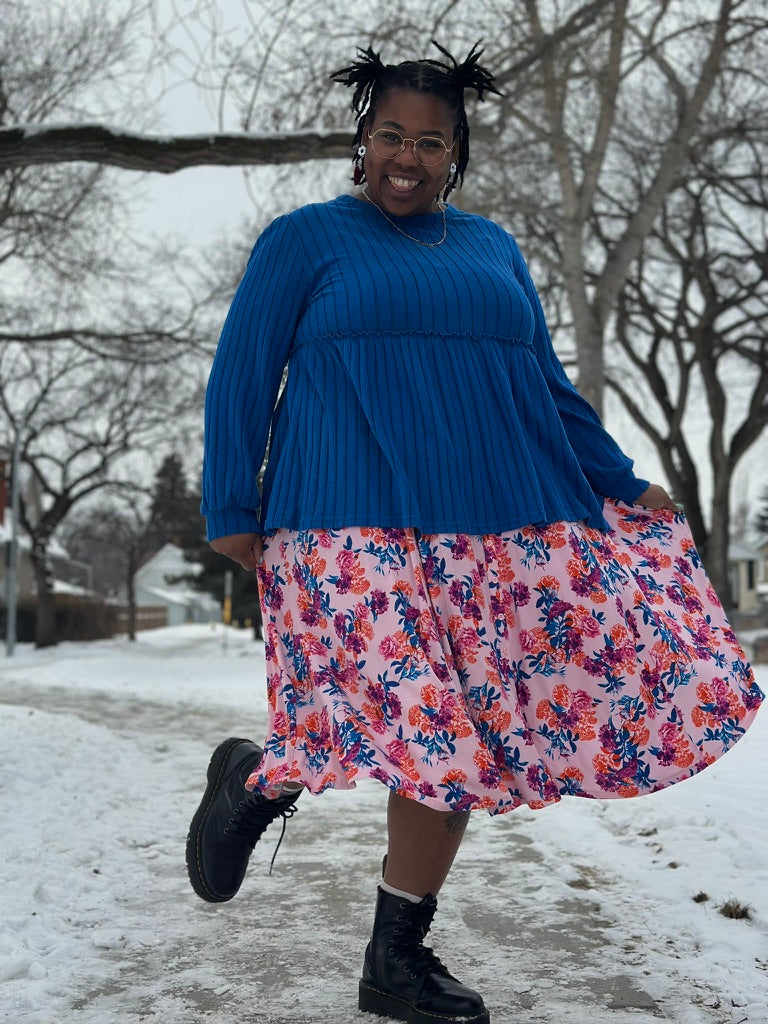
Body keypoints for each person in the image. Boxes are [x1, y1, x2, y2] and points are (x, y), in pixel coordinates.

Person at [186, 42, 763, 1024]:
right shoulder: (304, 240)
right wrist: (232, 510)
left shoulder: (492, 248)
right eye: (391, 135)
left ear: (456, 152)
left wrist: (622, 483)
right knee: (414, 728)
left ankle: (394, 956)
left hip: (484, 531)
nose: (407, 157)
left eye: (431, 142)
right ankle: (257, 781)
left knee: (455, 744)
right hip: (343, 523)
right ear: (362, 140)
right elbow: (242, 373)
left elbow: (545, 385)